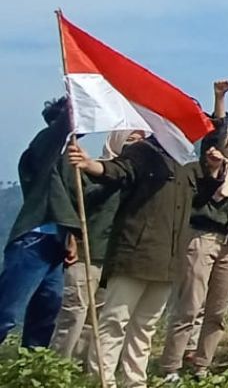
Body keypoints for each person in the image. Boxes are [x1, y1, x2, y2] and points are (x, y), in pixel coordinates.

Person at [68, 81, 227, 388]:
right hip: (134, 253)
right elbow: (118, 171)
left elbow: (207, 170)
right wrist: (90, 165)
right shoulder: (143, 151)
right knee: (114, 321)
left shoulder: (184, 161)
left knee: (145, 326)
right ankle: (102, 379)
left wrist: (216, 166)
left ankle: (134, 381)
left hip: (167, 261)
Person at [160, 115, 228, 381]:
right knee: (190, 305)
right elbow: (212, 140)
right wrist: (220, 102)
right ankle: (171, 366)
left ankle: (202, 365)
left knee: (218, 310)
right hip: (203, 238)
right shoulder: (210, 172)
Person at [0, 97, 83, 348]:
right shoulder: (42, 144)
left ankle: (33, 371)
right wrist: (74, 99)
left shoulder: (69, 160)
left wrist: (71, 236)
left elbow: (69, 202)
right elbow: (59, 132)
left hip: (54, 245)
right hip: (33, 241)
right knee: (7, 312)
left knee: (46, 313)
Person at [51, 131, 141, 361]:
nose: (135, 143)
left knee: (98, 316)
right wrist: (70, 233)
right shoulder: (92, 169)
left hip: (117, 257)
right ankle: (55, 366)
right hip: (87, 251)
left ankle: (79, 368)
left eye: (141, 138)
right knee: (74, 311)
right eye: (130, 138)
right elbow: (72, 200)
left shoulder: (140, 178)